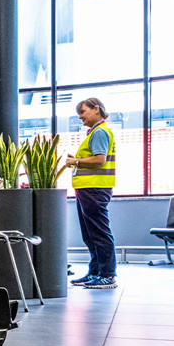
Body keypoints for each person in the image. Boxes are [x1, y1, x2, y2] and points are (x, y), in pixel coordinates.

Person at [64, 98, 117, 289]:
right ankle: (95, 271)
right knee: (90, 234)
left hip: (94, 189)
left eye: (83, 112)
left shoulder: (100, 131)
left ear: (97, 109)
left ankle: (107, 275)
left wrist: (76, 161)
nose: (80, 117)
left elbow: (100, 159)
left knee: (99, 232)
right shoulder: (96, 131)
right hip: (87, 189)